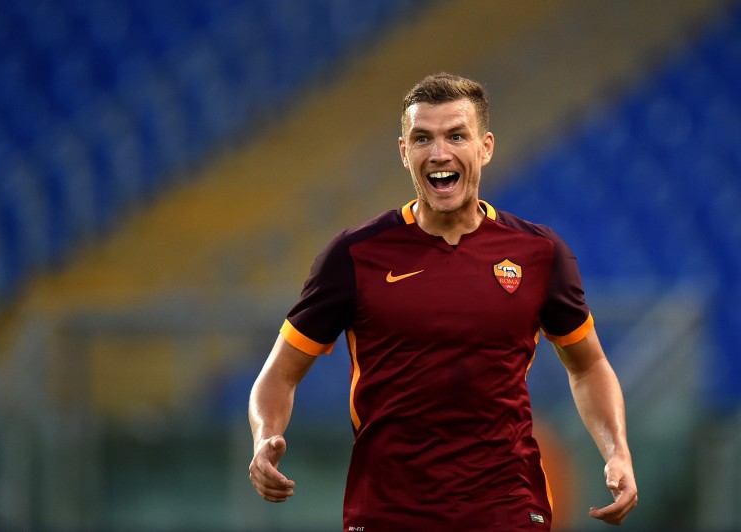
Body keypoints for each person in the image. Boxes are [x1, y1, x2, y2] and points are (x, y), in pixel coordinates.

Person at [249, 72, 638, 530]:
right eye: (422, 139)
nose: (439, 153)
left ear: (485, 147)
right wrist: (264, 438)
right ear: (404, 152)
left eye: (456, 136)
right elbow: (278, 374)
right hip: (387, 510)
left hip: (506, 507)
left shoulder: (539, 253)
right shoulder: (354, 255)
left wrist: (618, 453)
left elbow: (588, 365)